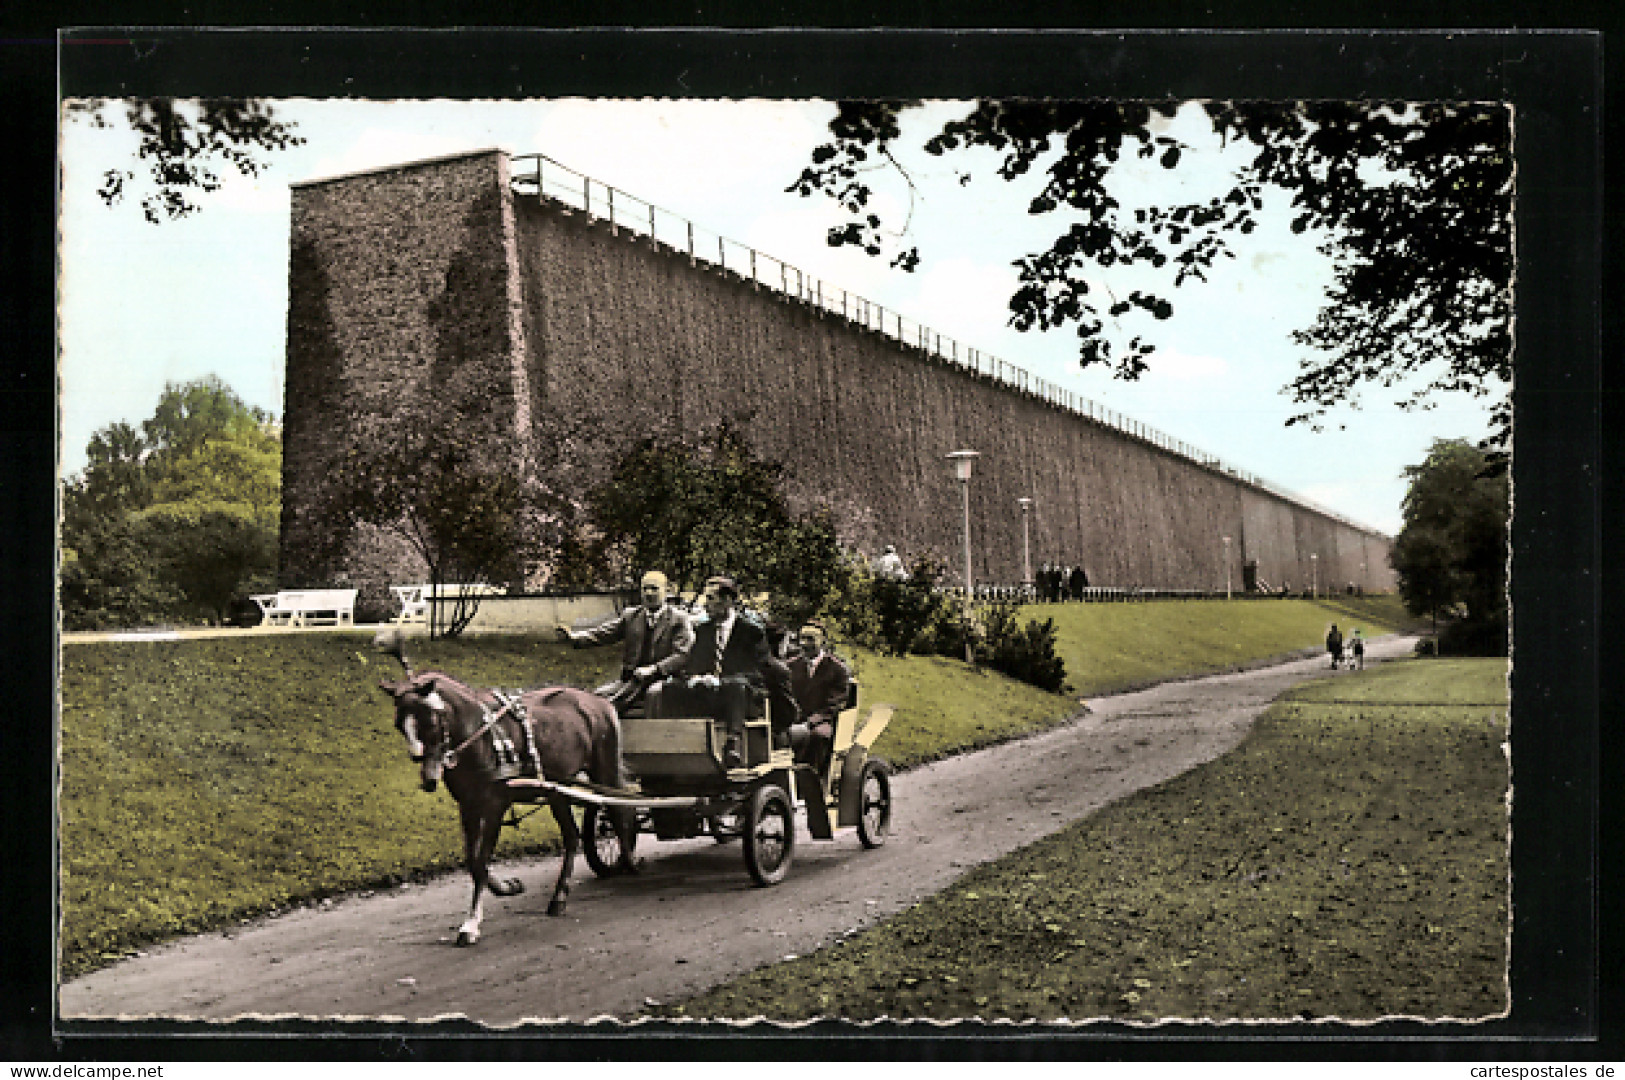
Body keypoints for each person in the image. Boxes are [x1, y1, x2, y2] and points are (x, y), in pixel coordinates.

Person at [647, 576, 797, 768]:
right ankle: (673, 744)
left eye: (710, 598)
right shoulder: (703, 630)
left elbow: (758, 672)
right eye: (704, 598)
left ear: (727, 601)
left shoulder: (751, 632)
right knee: (670, 687)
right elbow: (693, 664)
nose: (705, 605)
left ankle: (733, 743)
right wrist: (695, 678)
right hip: (710, 693)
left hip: (745, 696)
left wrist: (720, 681)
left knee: (735, 686)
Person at [555, 570, 694, 715]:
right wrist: (574, 637)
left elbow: (682, 655)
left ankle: (653, 735)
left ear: (667, 590)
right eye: (645, 588)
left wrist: (654, 669)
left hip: (667, 680)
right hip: (632, 680)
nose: (648, 593)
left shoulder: (679, 619)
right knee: (598, 696)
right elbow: (604, 633)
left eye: (654, 588)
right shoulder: (632, 616)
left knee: (653, 694)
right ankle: (611, 733)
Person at [786, 621, 851, 773]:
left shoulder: (837, 669)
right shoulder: (791, 666)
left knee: (818, 736)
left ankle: (813, 778)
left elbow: (834, 705)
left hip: (824, 721)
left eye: (810, 639)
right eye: (801, 639)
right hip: (795, 719)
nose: (804, 644)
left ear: (822, 641)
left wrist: (809, 723)